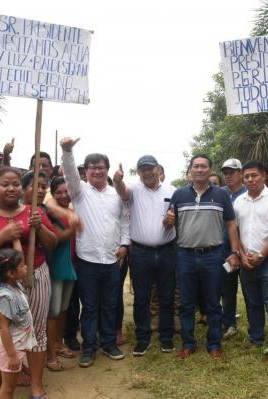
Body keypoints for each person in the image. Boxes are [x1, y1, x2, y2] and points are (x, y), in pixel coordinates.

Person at [0, 166, 57, 399]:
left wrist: (40, 227)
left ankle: (36, 385)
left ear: (23, 187)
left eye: (16, 184)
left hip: (34, 275)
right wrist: (1, 236)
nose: (11, 188)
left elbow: (52, 243)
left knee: (36, 330)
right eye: (5, 184)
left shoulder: (33, 211)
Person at [59, 137, 130, 368]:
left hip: (112, 260)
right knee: (89, 307)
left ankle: (108, 343)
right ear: (86, 172)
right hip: (87, 259)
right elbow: (69, 172)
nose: (97, 171)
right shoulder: (79, 192)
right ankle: (89, 347)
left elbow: (124, 221)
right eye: (92, 167)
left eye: (101, 167)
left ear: (107, 170)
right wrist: (67, 151)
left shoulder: (116, 194)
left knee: (110, 304)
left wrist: (124, 244)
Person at [168, 154, 240, 360]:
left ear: (210, 170)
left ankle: (214, 344)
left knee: (213, 302)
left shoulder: (221, 195)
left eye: (204, 166)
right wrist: (167, 220)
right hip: (185, 255)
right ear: (190, 171)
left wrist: (234, 252)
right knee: (186, 302)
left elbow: (231, 224)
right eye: (196, 166)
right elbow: (169, 223)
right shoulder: (179, 195)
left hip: (213, 255)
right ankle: (188, 343)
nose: (200, 170)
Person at [114, 155, 177, 356]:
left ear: (158, 169)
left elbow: (176, 215)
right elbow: (122, 193)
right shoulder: (134, 189)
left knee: (167, 296)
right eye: (143, 169)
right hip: (141, 252)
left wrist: (171, 221)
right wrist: (117, 181)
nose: (147, 172)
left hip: (167, 250)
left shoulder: (172, 191)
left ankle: (166, 338)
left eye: (150, 168)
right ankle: (143, 338)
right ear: (139, 172)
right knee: (141, 298)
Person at [233, 161, 268, 363]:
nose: (250, 179)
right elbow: (235, 231)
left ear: (263, 176)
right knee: (252, 302)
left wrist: (261, 255)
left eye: (254, 175)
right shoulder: (239, 202)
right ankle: (256, 339)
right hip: (246, 258)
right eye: (246, 176)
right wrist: (242, 254)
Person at [0, 249, 36, 399]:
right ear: (10, 273)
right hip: (10, 349)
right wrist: (12, 355)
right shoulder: (5, 297)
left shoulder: (15, 286)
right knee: (8, 388)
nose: (26, 267)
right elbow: (4, 328)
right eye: (22, 266)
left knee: (10, 387)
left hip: (16, 345)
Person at [43, 177, 78, 370]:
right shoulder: (50, 212)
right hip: (55, 266)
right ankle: (50, 354)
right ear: (53, 194)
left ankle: (58, 343)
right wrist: (75, 226)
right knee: (53, 311)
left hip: (70, 265)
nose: (64, 195)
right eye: (59, 192)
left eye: (67, 191)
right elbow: (58, 237)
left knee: (63, 308)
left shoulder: (71, 211)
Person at [220, 158, 247, 339]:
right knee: (226, 289)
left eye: (232, 172)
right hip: (223, 250)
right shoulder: (220, 193)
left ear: (241, 173)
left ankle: (256, 327)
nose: (228, 176)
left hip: (246, 250)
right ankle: (229, 324)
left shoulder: (248, 193)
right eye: (225, 172)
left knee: (250, 290)